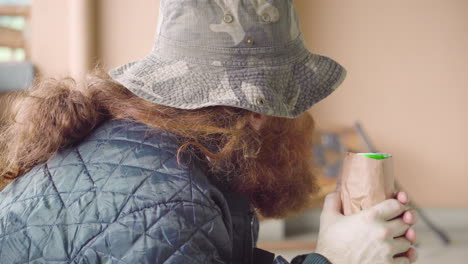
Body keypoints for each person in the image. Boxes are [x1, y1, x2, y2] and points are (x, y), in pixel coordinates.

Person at [0, 0, 418, 263]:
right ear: (259, 109)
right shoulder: (169, 202)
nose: (301, 121)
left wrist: (338, 251)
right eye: (294, 104)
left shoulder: (158, 156)